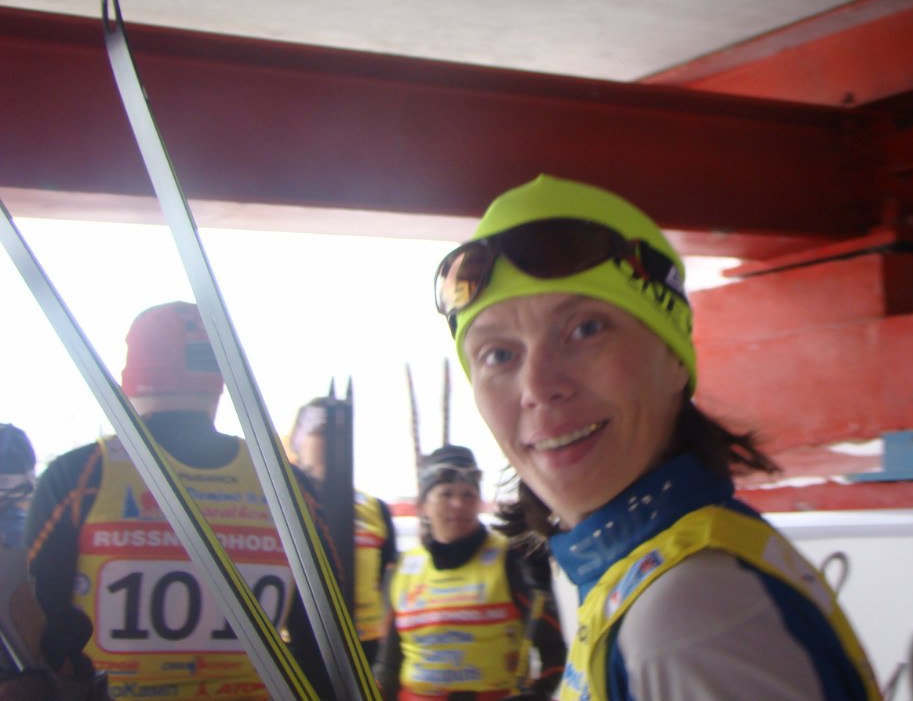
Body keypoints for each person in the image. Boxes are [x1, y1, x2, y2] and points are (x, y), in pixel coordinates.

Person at [434, 174, 881, 701]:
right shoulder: (663, 568)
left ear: (674, 359)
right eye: (499, 355)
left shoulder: (687, 619)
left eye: (585, 329)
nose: (537, 387)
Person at [23, 301, 336, 701]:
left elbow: (29, 626)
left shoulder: (82, 474)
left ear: (131, 380)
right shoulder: (287, 485)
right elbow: (327, 645)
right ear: (218, 383)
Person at [374, 444, 565, 701]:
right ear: (423, 506)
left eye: (468, 495)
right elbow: (388, 664)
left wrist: (537, 694)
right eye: (446, 494)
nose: (458, 504)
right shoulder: (403, 566)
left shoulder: (510, 558)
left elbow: (554, 653)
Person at [287, 396, 398, 667]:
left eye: (343, 433)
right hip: (296, 648)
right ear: (297, 441)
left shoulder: (374, 509)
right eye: (322, 431)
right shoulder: (280, 505)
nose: (335, 442)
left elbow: (386, 580)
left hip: (364, 647)